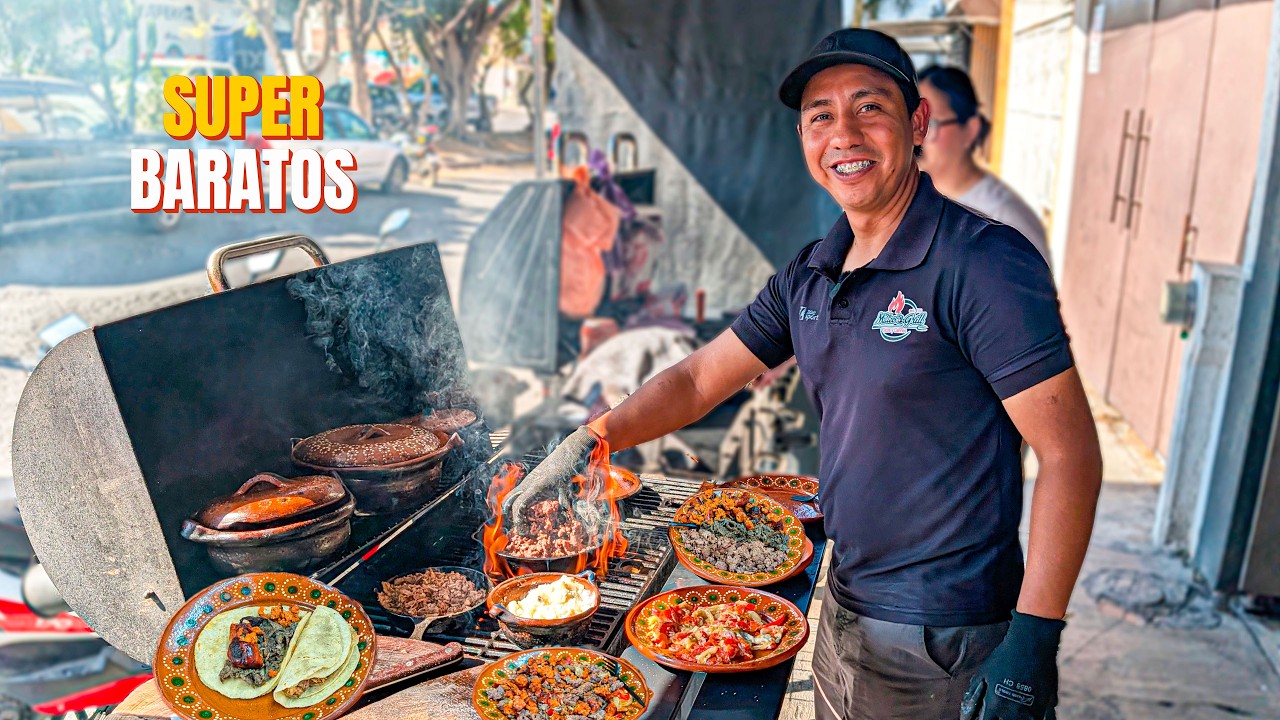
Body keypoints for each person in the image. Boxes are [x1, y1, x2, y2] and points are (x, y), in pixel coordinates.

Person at [505, 28, 1102, 720]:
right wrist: (592, 438)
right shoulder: (814, 270)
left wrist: (1034, 638)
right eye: (820, 116)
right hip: (842, 603)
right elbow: (701, 379)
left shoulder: (985, 263)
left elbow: (1070, 455)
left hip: (944, 635)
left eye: (869, 108)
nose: (842, 133)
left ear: (917, 123)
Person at [917, 65, 1051, 267]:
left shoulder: (1004, 221)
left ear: (970, 130)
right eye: (913, 123)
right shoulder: (913, 202)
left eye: (930, 126)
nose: (917, 139)